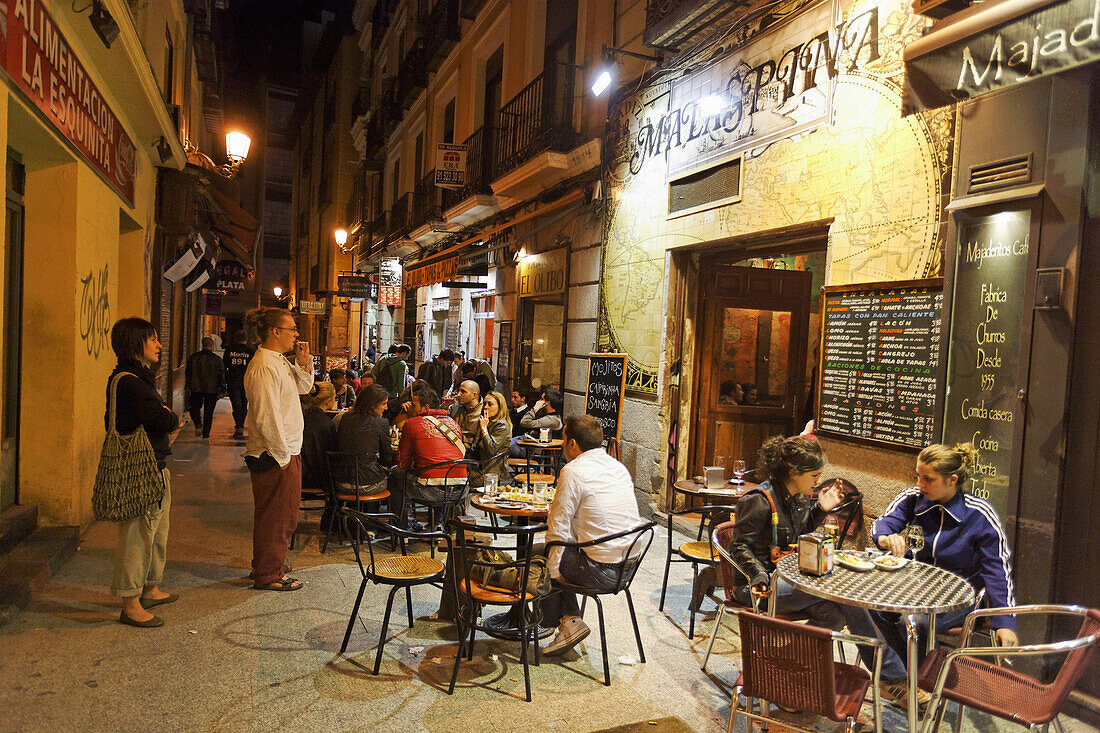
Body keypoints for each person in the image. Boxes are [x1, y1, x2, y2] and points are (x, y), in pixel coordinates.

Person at [870, 442, 1018, 708]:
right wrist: (885, 537)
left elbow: (998, 571)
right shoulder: (913, 499)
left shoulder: (980, 515)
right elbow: (883, 523)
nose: (920, 483)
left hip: (961, 596)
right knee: (874, 608)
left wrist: (1004, 622)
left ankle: (921, 685)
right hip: (914, 586)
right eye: (917, 475)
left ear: (951, 481)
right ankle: (901, 680)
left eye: (928, 478)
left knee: (917, 621)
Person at [723, 435, 881, 678]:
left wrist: (820, 509)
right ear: (794, 472)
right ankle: (887, 673)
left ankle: (789, 664)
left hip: (787, 579)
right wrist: (759, 576)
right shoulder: (759, 500)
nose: (818, 483)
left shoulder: (797, 498)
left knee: (834, 611)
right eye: (814, 476)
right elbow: (739, 547)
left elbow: (797, 534)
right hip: (756, 587)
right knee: (844, 595)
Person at [539, 415, 643, 656]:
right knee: (560, 551)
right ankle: (569, 620)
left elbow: (558, 526)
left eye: (563, 440)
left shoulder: (573, 471)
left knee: (541, 556)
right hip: (629, 567)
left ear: (573, 443)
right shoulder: (618, 466)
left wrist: (554, 575)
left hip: (601, 571)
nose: (562, 445)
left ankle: (557, 622)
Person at [105, 318, 181, 628]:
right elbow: (165, 420)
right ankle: (130, 603)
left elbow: (163, 417)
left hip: (156, 466)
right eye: (152, 340)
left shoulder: (140, 380)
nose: (159, 345)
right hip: (141, 471)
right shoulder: (130, 383)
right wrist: (168, 415)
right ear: (137, 344)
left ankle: (150, 587)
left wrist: (165, 413)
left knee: (157, 532)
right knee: (137, 536)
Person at [243, 307, 314, 592]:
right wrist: (283, 457)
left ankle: (266, 565)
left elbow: (305, 388)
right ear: (275, 332)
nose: (296, 334)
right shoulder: (264, 365)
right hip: (275, 454)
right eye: (292, 329)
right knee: (280, 517)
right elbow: (265, 416)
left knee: (275, 515)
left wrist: (304, 361)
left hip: (284, 451)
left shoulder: (279, 362)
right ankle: (270, 574)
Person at [387, 384, 467, 528]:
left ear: (425, 408)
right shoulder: (453, 423)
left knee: (395, 476)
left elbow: (402, 463)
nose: (409, 407)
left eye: (413, 404)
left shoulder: (412, 423)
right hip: (460, 489)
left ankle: (402, 528)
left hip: (432, 491)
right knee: (440, 476)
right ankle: (437, 524)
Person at [336, 385, 394, 492]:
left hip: (341, 481)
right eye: (384, 404)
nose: (386, 408)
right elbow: (387, 458)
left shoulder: (345, 418)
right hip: (367, 483)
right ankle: (372, 509)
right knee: (395, 479)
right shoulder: (381, 423)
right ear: (372, 405)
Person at [299, 381, 337, 493]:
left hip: (300, 473)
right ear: (328, 401)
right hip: (320, 478)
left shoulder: (301, 419)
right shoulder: (327, 423)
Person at [185, 337, 226, 439]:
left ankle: (198, 424)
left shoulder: (193, 358)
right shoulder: (217, 360)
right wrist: (222, 390)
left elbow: (188, 373)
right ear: (212, 346)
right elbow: (221, 375)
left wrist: (188, 385)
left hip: (196, 388)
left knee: (194, 408)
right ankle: (206, 433)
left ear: (202, 345)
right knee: (209, 411)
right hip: (212, 389)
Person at [470, 390, 511, 488]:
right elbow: (475, 447)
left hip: (489, 473)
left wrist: (484, 429)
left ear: (499, 407)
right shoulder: (487, 422)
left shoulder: (502, 425)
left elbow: (491, 449)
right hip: (478, 466)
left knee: (456, 477)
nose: (485, 407)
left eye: (490, 404)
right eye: (484, 403)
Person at [512, 387, 564, 457]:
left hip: (530, 449)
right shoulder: (544, 414)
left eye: (542, 399)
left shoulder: (551, 420)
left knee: (502, 447)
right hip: (526, 442)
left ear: (547, 403)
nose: (539, 401)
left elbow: (524, 422)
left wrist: (535, 408)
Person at [223, 329, 253, 439]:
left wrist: (224, 381)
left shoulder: (229, 350)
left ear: (235, 338)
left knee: (236, 404)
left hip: (233, 381)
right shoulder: (250, 351)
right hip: (246, 382)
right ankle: (240, 425)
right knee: (244, 404)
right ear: (246, 339)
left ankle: (239, 426)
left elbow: (224, 366)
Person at [448, 379, 483, 452]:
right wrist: (444, 406)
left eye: (463, 392)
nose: (459, 394)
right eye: (459, 391)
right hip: (451, 450)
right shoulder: (454, 408)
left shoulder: (483, 412)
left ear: (474, 395)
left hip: (470, 456)